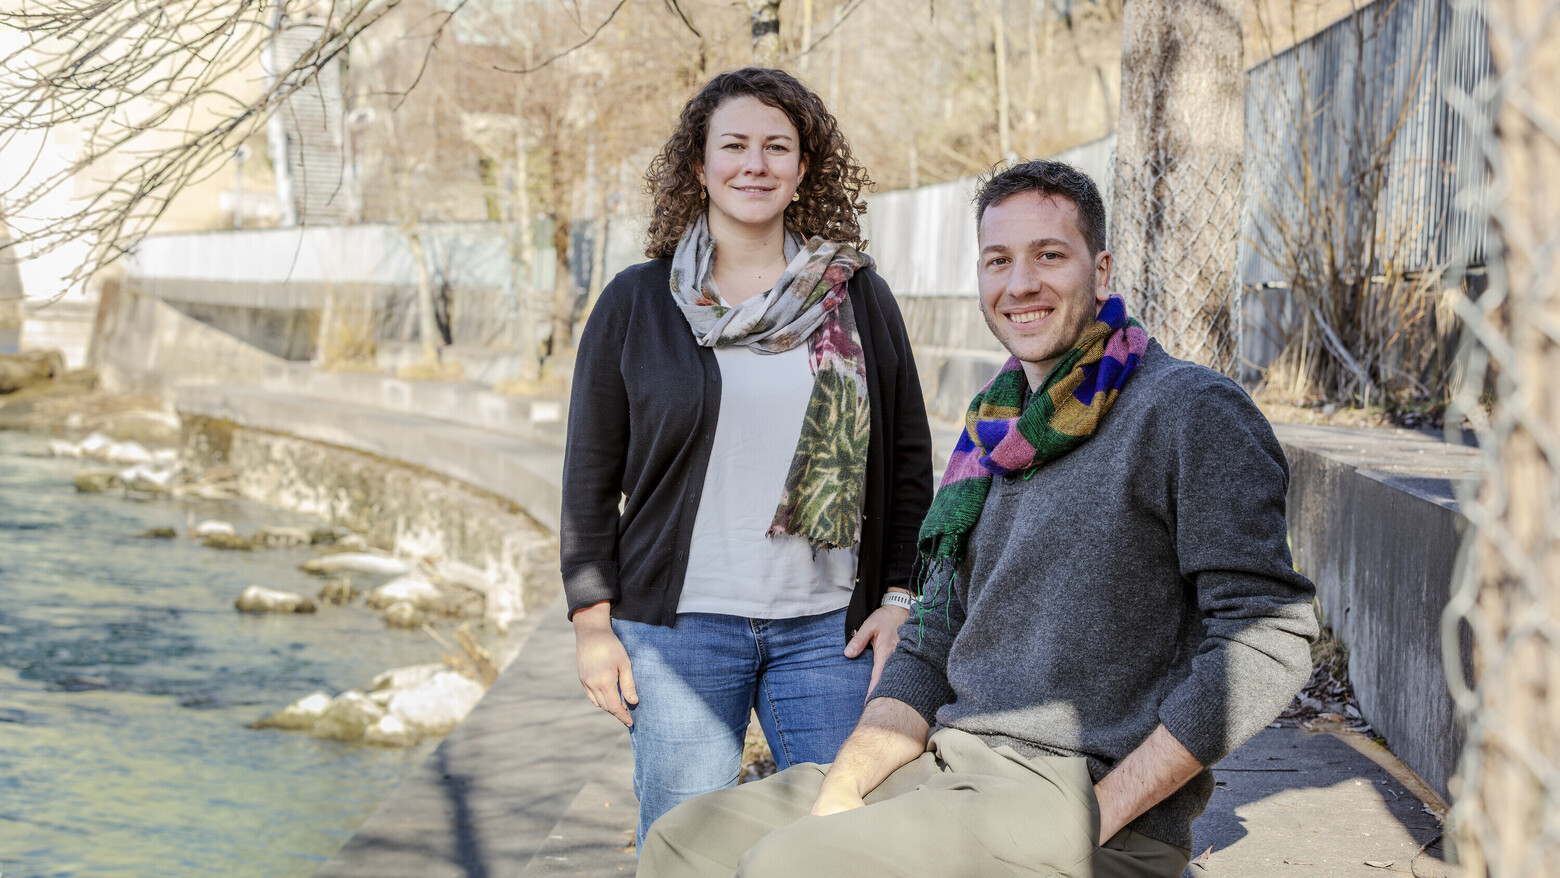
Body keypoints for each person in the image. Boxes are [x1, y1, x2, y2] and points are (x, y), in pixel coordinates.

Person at [637, 160, 1320, 878]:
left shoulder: (1187, 411)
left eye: (1049, 256)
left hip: (1072, 794)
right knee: (686, 841)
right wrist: (842, 791)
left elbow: (1269, 635)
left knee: (788, 869)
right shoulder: (993, 435)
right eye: (999, 260)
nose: (1019, 283)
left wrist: (1104, 813)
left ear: (1102, 268)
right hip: (951, 765)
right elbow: (930, 642)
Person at [559, 67, 934, 850]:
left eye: (776, 147)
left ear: (803, 170)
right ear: (699, 166)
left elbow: (905, 462)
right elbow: (590, 474)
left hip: (830, 629)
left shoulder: (857, 296)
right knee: (681, 846)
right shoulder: (638, 301)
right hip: (679, 632)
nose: (753, 164)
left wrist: (899, 598)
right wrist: (593, 625)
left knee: (850, 842)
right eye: (733, 145)